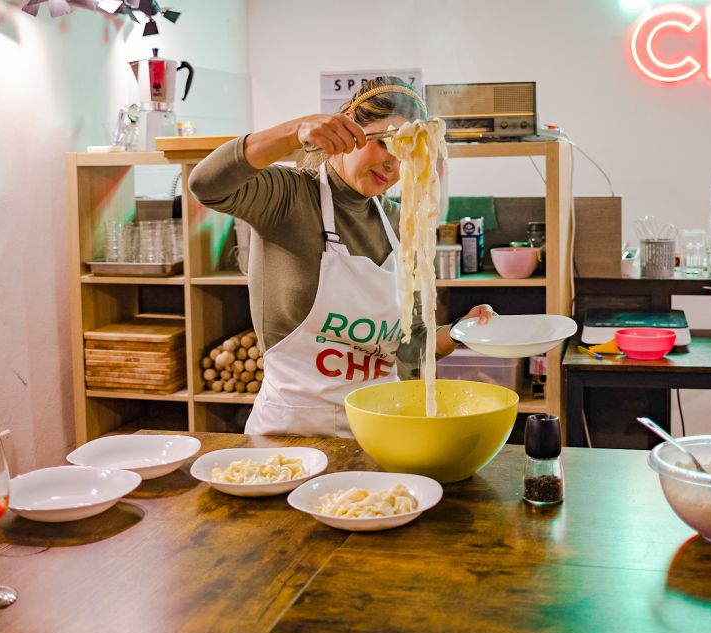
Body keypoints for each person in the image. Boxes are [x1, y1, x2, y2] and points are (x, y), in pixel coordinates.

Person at [188, 76, 494, 437]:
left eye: (407, 154)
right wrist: (293, 130)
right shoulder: (288, 198)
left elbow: (408, 349)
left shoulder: (400, 221)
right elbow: (205, 185)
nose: (393, 166)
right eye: (384, 143)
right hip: (292, 439)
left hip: (379, 433)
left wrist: (460, 331)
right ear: (348, 129)